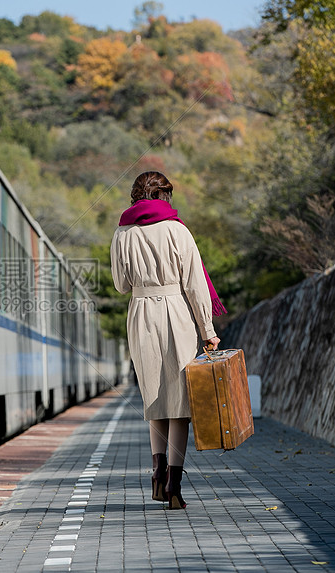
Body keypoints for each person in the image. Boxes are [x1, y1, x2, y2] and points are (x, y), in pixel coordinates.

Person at [110, 171, 226, 510]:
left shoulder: (122, 232)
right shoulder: (179, 231)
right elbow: (195, 285)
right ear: (165, 195)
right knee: (180, 403)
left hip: (141, 312)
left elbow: (121, 284)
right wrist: (208, 331)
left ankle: (157, 472)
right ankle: (174, 484)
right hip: (176, 311)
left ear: (135, 197)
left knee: (155, 399)